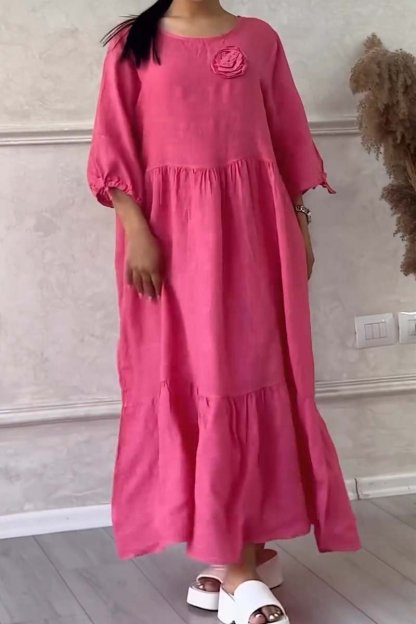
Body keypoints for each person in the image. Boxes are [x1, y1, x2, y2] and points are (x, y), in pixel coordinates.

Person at [87, 1, 361, 622]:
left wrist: (300, 224)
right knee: (202, 379)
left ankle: (244, 555)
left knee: (256, 375)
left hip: (256, 232)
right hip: (171, 240)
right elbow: (113, 144)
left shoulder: (260, 38)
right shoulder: (133, 44)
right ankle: (238, 566)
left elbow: (287, 136)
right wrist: (137, 231)